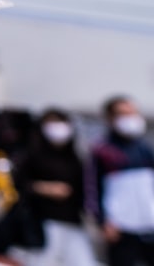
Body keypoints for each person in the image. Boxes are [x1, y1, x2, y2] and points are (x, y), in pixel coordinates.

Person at [17, 108, 95, 266]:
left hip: (72, 220)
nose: (57, 128)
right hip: (43, 220)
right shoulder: (33, 154)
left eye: (60, 122)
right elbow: (19, 183)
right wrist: (46, 188)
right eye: (51, 123)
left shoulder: (76, 156)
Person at [87, 96, 154, 265]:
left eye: (132, 113)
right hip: (120, 227)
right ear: (110, 118)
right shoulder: (103, 150)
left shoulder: (145, 147)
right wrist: (102, 222)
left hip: (149, 224)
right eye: (123, 114)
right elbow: (91, 189)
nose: (130, 119)